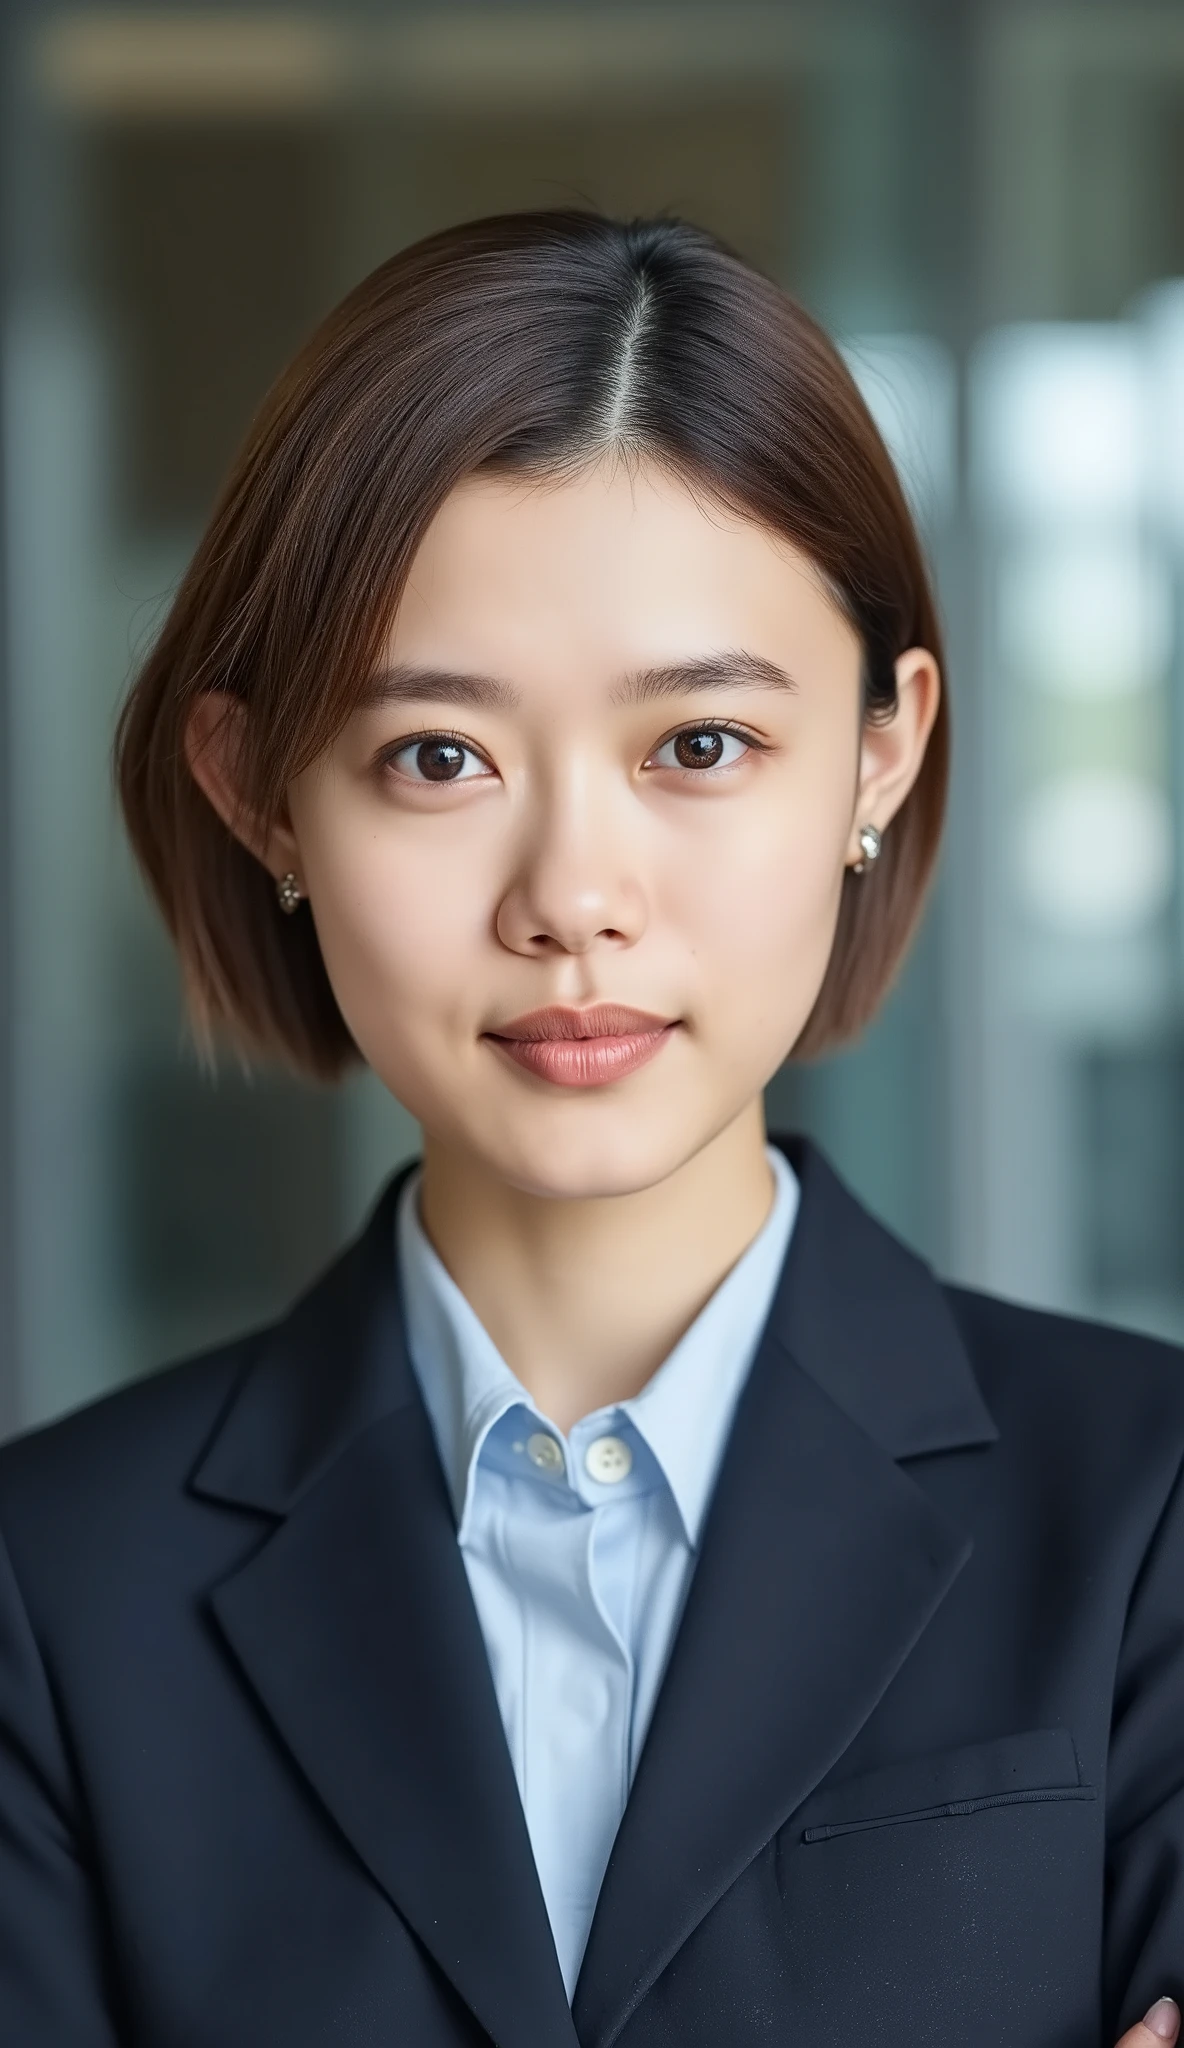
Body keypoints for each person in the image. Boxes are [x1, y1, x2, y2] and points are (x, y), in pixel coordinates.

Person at [0, 211, 1181, 2048]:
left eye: (699, 744)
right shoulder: (50, 1591)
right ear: (263, 799)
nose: (571, 897)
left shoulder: (1151, 1507)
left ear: (878, 753)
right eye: (438, 758)